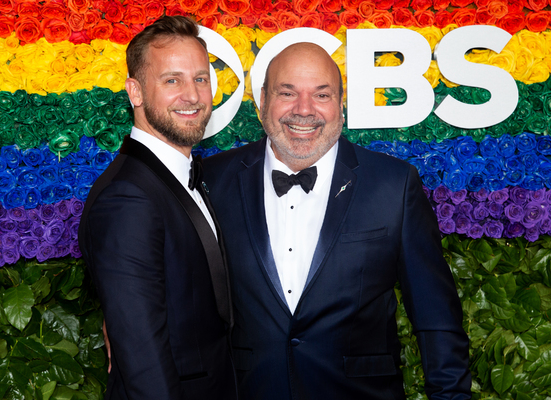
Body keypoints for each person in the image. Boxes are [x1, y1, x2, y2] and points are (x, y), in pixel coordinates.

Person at [202, 42, 471, 400]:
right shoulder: (211, 180)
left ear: (340, 105)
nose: (304, 110)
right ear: (262, 102)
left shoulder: (393, 185)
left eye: (322, 95)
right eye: (287, 92)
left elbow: (436, 319)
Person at [79, 16, 237, 400]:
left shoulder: (183, 175)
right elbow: (142, 359)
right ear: (135, 92)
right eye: (172, 80)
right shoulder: (127, 199)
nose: (193, 95)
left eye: (201, 78)